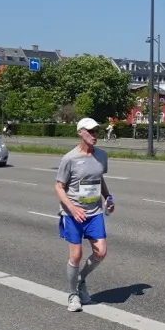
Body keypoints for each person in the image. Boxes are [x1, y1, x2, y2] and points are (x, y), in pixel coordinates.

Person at [55, 117, 114, 313]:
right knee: (76, 254)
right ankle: (73, 294)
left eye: (97, 131)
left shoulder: (102, 156)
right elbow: (59, 187)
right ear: (80, 132)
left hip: (94, 211)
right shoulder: (70, 158)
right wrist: (72, 208)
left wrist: (107, 197)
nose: (95, 135)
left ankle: (80, 280)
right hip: (73, 213)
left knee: (101, 252)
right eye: (90, 131)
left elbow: (98, 178)